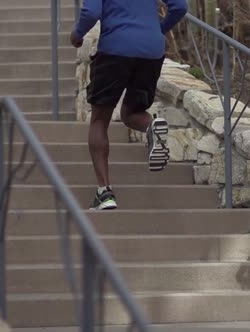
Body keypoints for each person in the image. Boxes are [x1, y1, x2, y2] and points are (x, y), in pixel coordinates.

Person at [70, 0, 188, 210]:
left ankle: (104, 193)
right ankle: (151, 126)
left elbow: (91, 12)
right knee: (131, 112)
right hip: (151, 51)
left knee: (99, 120)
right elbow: (180, 6)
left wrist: (77, 34)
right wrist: (157, 31)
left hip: (115, 49)